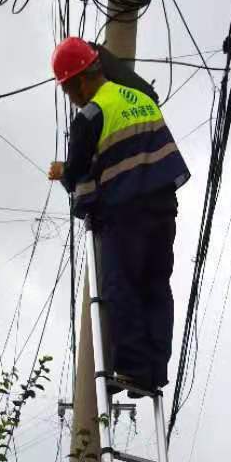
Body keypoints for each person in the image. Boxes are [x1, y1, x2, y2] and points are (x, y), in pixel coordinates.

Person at [47, 36, 190, 395]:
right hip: (163, 207)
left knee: (120, 286)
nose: (72, 98)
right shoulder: (142, 100)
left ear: (79, 81)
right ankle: (155, 370)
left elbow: (76, 174)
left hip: (126, 212)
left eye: (68, 90)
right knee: (156, 285)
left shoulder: (91, 115)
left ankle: (134, 370)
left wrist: (62, 172)